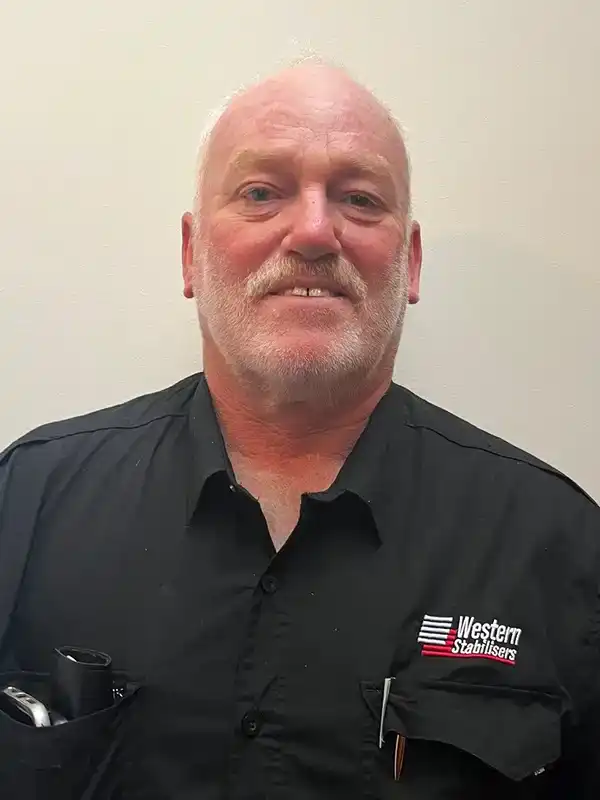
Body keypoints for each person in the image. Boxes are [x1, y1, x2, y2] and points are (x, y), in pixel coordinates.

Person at [0, 61, 598, 799]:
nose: (314, 231)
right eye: (261, 193)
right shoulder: (25, 503)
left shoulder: (557, 547)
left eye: (359, 198)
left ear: (409, 264)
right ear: (193, 254)